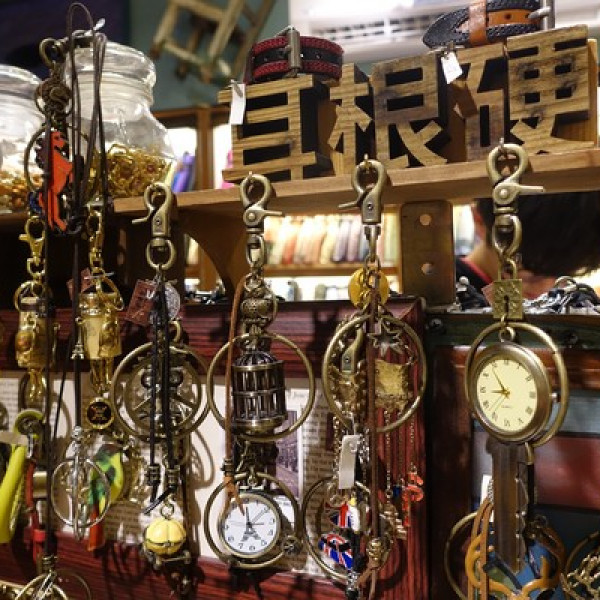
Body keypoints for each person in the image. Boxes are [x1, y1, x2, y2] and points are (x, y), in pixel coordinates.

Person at [456, 190, 600, 300]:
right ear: (479, 219)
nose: (544, 289)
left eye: (561, 274)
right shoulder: (450, 291)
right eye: (527, 275)